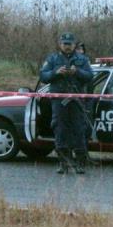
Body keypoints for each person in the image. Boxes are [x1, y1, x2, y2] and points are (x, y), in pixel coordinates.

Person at [40, 32, 93, 174]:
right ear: (60, 44)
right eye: (65, 44)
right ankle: (63, 163)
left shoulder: (82, 59)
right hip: (59, 100)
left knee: (79, 129)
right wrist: (56, 73)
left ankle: (80, 163)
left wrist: (78, 72)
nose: (67, 47)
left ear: (74, 45)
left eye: (70, 44)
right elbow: (43, 76)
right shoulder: (52, 59)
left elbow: (90, 76)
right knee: (60, 129)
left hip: (76, 99)